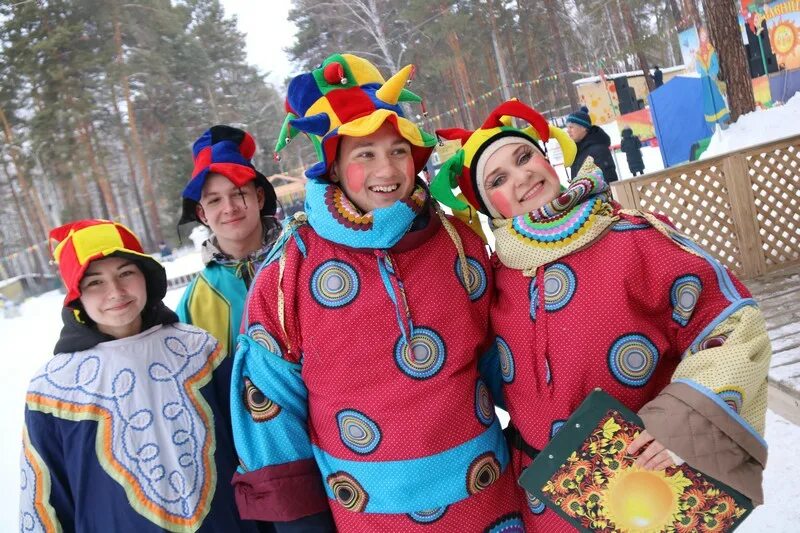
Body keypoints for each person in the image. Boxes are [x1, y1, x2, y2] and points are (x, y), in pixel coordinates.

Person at [432, 100, 771, 531]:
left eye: (524, 157)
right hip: (544, 506)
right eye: (498, 178)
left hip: (645, 491)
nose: (522, 177)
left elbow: (734, 326)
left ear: (546, 156)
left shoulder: (636, 240)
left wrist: (679, 423)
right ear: (490, 207)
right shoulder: (497, 279)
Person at [230, 53, 521, 531]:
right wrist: (300, 522)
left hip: (486, 498)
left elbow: (504, 354)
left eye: (399, 150)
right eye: (365, 153)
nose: (387, 168)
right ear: (336, 166)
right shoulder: (292, 266)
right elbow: (269, 397)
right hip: (367, 512)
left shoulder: (457, 240)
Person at [19, 219, 261, 532]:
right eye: (95, 282)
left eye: (126, 273)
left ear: (146, 276)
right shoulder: (54, 389)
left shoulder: (198, 350)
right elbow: (43, 499)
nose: (116, 292)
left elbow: (252, 447)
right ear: (77, 295)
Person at [176, 126, 281, 359]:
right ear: (202, 214)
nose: (229, 208)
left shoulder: (303, 258)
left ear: (260, 197)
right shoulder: (195, 302)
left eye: (239, 194)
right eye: (214, 200)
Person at [565, 105, 619, 184]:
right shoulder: (577, 151)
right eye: (567, 127)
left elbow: (609, 181)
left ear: (583, 127)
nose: (568, 131)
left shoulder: (599, 150)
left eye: (571, 127)